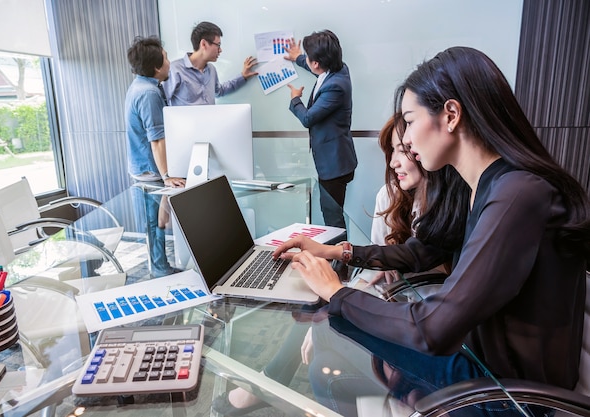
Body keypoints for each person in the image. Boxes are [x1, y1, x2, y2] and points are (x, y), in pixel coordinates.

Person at [273, 46, 590, 415]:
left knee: (333, 333)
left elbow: (432, 329)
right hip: (481, 359)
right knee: (334, 326)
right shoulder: (483, 186)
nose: (405, 139)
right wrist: (338, 251)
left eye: (409, 120)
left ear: (451, 115)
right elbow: (424, 251)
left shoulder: (516, 194)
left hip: (505, 394)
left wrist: (337, 291)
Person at [211, 113, 426, 416]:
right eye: (392, 153)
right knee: (317, 304)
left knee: (321, 337)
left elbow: (413, 282)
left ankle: (270, 381)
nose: (393, 163)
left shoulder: (448, 212)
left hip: (409, 319)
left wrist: (337, 299)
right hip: (396, 305)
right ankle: (272, 379)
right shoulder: (390, 196)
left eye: (404, 151)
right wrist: (338, 269)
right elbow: (379, 268)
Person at [125, 36, 185, 277]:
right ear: (157, 67)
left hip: (146, 167)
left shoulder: (143, 85)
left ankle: (161, 267)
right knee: (154, 223)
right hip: (149, 170)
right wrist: (167, 175)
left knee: (157, 222)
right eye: (167, 58)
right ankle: (159, 270)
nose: (170, 63)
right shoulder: (148, 93)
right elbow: (157, 139)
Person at [284, 30, 357, 230]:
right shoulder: (339, 69)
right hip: (335, 158)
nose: (306, 60)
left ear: (316, 62)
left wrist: (295, 99)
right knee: (331, 211)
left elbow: (308, 118)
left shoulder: (336, 87)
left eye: (308, 57)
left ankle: (341, 259)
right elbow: (317, 71)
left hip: (335, 164)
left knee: (332, 216)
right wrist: (298, 57)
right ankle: (338, 255)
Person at [162, 21, 258, 106]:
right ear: (203, 44)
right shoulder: (175, 70)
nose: (220, 50)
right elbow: (162, 102)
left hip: (210, 124)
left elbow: (220, 91)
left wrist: (243, 76)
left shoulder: (211, 69)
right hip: (186, 126)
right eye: (218, 45)